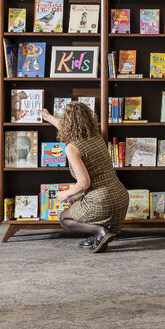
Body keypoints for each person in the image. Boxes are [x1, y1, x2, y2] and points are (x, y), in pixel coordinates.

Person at [40, 101, 129, 252]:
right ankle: (99, 235)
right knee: (77, 199)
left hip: (102, 201)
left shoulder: (72, 148)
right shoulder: (96, 137)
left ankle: (99, 232)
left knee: (64, 218)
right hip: (120, 198)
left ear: (68, 123)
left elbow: (84, 183)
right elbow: (66, 126)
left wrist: (65, 194)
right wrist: (48, 117)